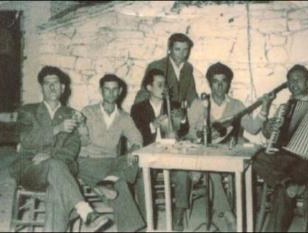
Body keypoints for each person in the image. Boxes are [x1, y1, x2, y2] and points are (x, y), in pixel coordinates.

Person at [9, 66, 111, 232]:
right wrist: (57, 129)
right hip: (30, 167)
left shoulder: (73, 114)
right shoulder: (27, 111)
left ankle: (81, 213)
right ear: (41, 87)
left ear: (63, 88)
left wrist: (49, 155)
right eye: (47, 83)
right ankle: (85, 210)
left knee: (57, 185)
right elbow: (25, 140)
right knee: (57, 169)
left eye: (55, 83)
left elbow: (72, 149)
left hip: (60, 169)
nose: (51, 87)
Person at [252, 64, 308, 232]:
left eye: (297, 80)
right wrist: (269, 126)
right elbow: (267, 134)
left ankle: (286, 185)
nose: (293, 84)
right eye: (290, 81)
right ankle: (289, 184)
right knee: (257, 157)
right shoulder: (284, 108)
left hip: (307, 160)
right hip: (282, 158)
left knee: (282, 190)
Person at [186, 62, 275, 231]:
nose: (219, 86)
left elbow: (254, 128)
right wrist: (200, 134)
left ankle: (239, 212)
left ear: (229, 83)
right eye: (215, 81)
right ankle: (228, 214)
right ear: (209, 83)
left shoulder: (237, 105)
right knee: (211, 170)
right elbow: (188, 133)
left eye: (223, 81)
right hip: (206, 152)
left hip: (229, 152)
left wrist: (265, 107)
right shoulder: (199, 104)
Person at [77, 74, 145, 232]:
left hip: (111, 162)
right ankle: (110, 181)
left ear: (120, 91)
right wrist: (82, 134)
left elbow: (137, 138)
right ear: (101, 90)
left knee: (137, 158)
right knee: (120, 183)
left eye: (114, 90)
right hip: (88, 161)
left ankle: (107, 181)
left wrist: (133, 149)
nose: (111, 93)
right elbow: (79, 141)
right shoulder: (87, 112)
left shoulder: (124, 117)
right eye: (107, 89)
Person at [130, 68, 189, 230]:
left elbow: (184, 131)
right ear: (149, 87)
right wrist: (153, 125)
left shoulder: (173, 105)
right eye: (159, 85)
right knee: (142, 178)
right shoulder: (137, 108)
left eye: (165, 85)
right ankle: (146, 219)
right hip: (150, 153)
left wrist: (182, 118)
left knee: (183, 174)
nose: (164, 89)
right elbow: (135, 133)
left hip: (171, 153)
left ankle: (178, 215)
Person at [134, 33, 198, 106]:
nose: (182, 54)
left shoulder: (188, 68)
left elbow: (191, 95)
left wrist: (200, 108)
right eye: (177, 49)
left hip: (178, 114)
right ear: (169, 49)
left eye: (185, 50)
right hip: (158, 113)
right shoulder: (157, 66)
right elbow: (144, 93)